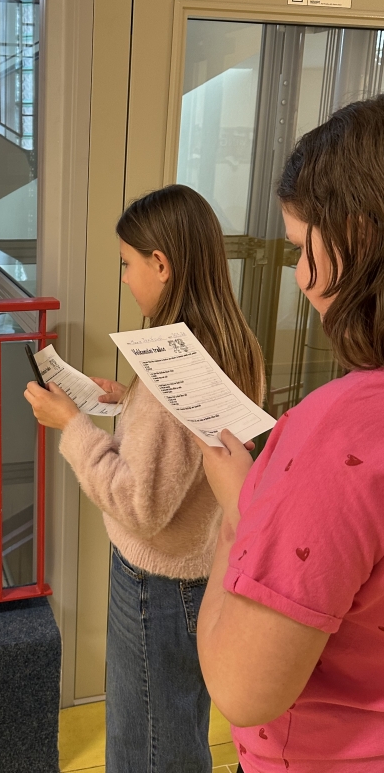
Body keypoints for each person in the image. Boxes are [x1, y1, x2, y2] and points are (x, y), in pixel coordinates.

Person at [24, 185, 266, 773]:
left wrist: (72, 427)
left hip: (154, 583)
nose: (126, 278)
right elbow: (195, 456)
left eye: (127, 263)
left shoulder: (173, 366)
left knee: (147, 745)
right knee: (179, 725)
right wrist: (128, 401)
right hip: (204, 570)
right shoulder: (235, 344)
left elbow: (141, 506)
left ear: (162, 264)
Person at [195, 96, 384, 773]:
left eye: (304, 248)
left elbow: (242, 689)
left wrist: (236, 512)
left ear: (357, 236)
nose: (302, 279)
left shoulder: (341, 428)